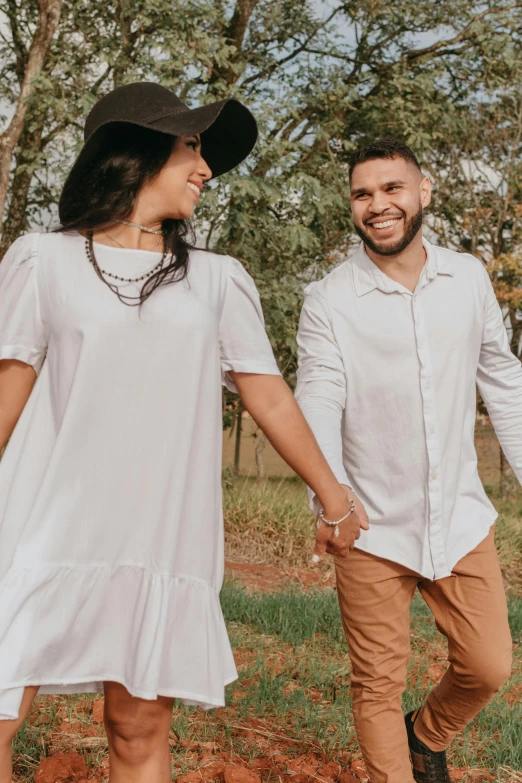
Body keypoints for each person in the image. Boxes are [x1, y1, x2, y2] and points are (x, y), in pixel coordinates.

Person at [0, 82, 354, 783]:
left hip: (158, 536)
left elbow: (269, 395)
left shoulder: (218, 282)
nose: (205, 168)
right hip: (40, 527)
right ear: (135, 153)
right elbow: (7, 394)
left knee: (137, 727)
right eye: (191, 146)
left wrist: (333, 495)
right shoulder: (42, 262)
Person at [295, 138, 516, 783]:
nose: (378, 205)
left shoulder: (469, 279)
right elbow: (318, 397)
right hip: (370, 525)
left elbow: (503, 381)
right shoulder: (328, 300)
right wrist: (330, 501)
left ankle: (428, 734)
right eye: (363, 194)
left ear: (424, 193)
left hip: (460, 516)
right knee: (376, 684)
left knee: (489, 665)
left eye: (392, 189)